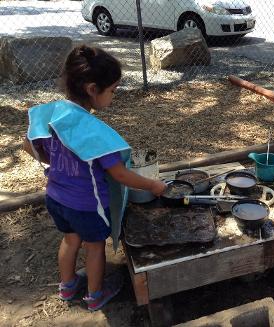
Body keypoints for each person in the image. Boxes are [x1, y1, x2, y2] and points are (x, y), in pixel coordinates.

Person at [23, 45, 167, 311]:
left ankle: (66, 288)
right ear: (92, 89)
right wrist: (153, 185)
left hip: (56, 197)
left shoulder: (54, 112)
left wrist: (56, 162)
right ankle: (95, 295)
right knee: (94, 247)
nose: (113, 96)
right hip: (87, 207)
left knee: (69, 239)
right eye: (112, 90)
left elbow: (27, 143)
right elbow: (120, 174)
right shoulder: (92, 131)